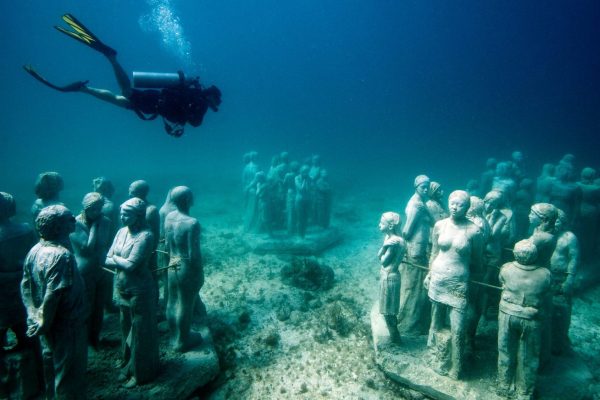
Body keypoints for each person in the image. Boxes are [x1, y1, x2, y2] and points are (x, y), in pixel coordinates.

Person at [24, 14, 221, 137]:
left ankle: (85, 89)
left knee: (121, 101)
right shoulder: (200, 102)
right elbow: (195, 123)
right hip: (155, 102)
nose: (216, 105)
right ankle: (112, 58)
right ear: (211, 96)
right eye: (216, 101)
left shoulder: (195, 95)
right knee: (126, 93)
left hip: (156, 103)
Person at [21, 205, 87, 399]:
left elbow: (25, 285)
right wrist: (44, 318)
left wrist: (33, 313)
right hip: (67, 322)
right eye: (69, 219)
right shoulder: (61, 255)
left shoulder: (34, 250)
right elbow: (53, 293)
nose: (74, 219)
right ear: (58, 227)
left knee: (51, 366)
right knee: (70, 374)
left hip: (47, 323)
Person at [424, 190, 484, 380]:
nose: (454, 206)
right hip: (438, 279)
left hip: (458, 283)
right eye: (452, 202)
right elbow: (433, 253)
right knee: (435, 322)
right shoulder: (440, 225)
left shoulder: (474, 231)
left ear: (467, 208)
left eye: (460, 204)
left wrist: (472, 285)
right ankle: (434, 357)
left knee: (458, 328)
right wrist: (429, 273)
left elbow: (477, 261)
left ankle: (456, 367)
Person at [105, 198, 158, 388]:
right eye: (121, 213)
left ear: (138, 216)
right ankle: (127, 363)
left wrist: (117, 259)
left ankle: (141, 372)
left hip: (140, 290)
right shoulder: (120, 232)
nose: (121, 217)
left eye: (126, 214)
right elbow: (107, 259)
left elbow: (132, 265)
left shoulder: (146, 236)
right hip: (122, 288)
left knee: (141, 332)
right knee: (125, 327)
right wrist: (121, 260)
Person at [497, 240, 552, 400]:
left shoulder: (506, 269)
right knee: (529, 356)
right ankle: (524, 392)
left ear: (515, 253)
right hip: (530, 318)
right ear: (535, 255)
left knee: (505, 350)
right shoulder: (545, 274)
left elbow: (502, 282)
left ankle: (504, 385)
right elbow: (547, 293)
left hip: (507, 314)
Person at [69, 192, 113, 350]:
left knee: (99, 306)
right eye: (94, 209)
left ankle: (95, 338)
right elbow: (87, 248)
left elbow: (102, 243)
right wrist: (95, 227)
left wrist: (99, 225)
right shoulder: (73, 223)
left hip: (102, 269)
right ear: (85, 208)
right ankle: (84, 340)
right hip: (85, 271)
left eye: (100, 208)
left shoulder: (105, 221)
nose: (98, 212)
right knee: (87, 307)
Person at [164, 187, 204, 352]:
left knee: (172, 301)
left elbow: (167, 245)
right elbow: (193, 254)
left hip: (172, 263)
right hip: (186, 267)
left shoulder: (169, 217)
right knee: (185, 304)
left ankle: (174, 336)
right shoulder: (192, 223)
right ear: (188, 200)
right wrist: (199, 273)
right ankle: (183, 340)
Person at [377, 212, 406, 344]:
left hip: (390, 277)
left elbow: (383, 261)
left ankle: (396, 339)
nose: (379, 225)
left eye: (381, 223)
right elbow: (380, 256)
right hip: (387, 276)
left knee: (389, 313)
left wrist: (385, 247)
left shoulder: (394, 242)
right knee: (387, 312)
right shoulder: (389, 239)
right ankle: (395, 339)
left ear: (390, 226)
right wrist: (384, 246)